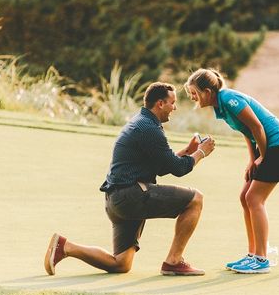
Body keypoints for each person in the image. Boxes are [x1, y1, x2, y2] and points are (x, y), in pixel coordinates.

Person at [44, 82, 215, 277]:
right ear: (160, 103)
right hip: (130, 196)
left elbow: (161, 165)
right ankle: (173, 262)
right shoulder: (149, 128)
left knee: (121, 264)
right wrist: (201, 152)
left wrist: (187, 151)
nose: (174, 108)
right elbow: (178, 169)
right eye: (172, 103)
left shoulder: (142, 121)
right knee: (196, 199)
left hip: (116, 199)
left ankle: (65, 247)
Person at [185, 68, 279, 274]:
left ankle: (262, 259)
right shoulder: (220, 105)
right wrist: (252, 160)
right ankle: (253, 254)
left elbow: (257, 127)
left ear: (208, 91)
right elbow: (247, 131)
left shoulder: (228, 98)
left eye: (194, 92)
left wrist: (263, 156)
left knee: (255, 199)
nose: (192, 97)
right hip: (267, 147)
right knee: (244, 197)